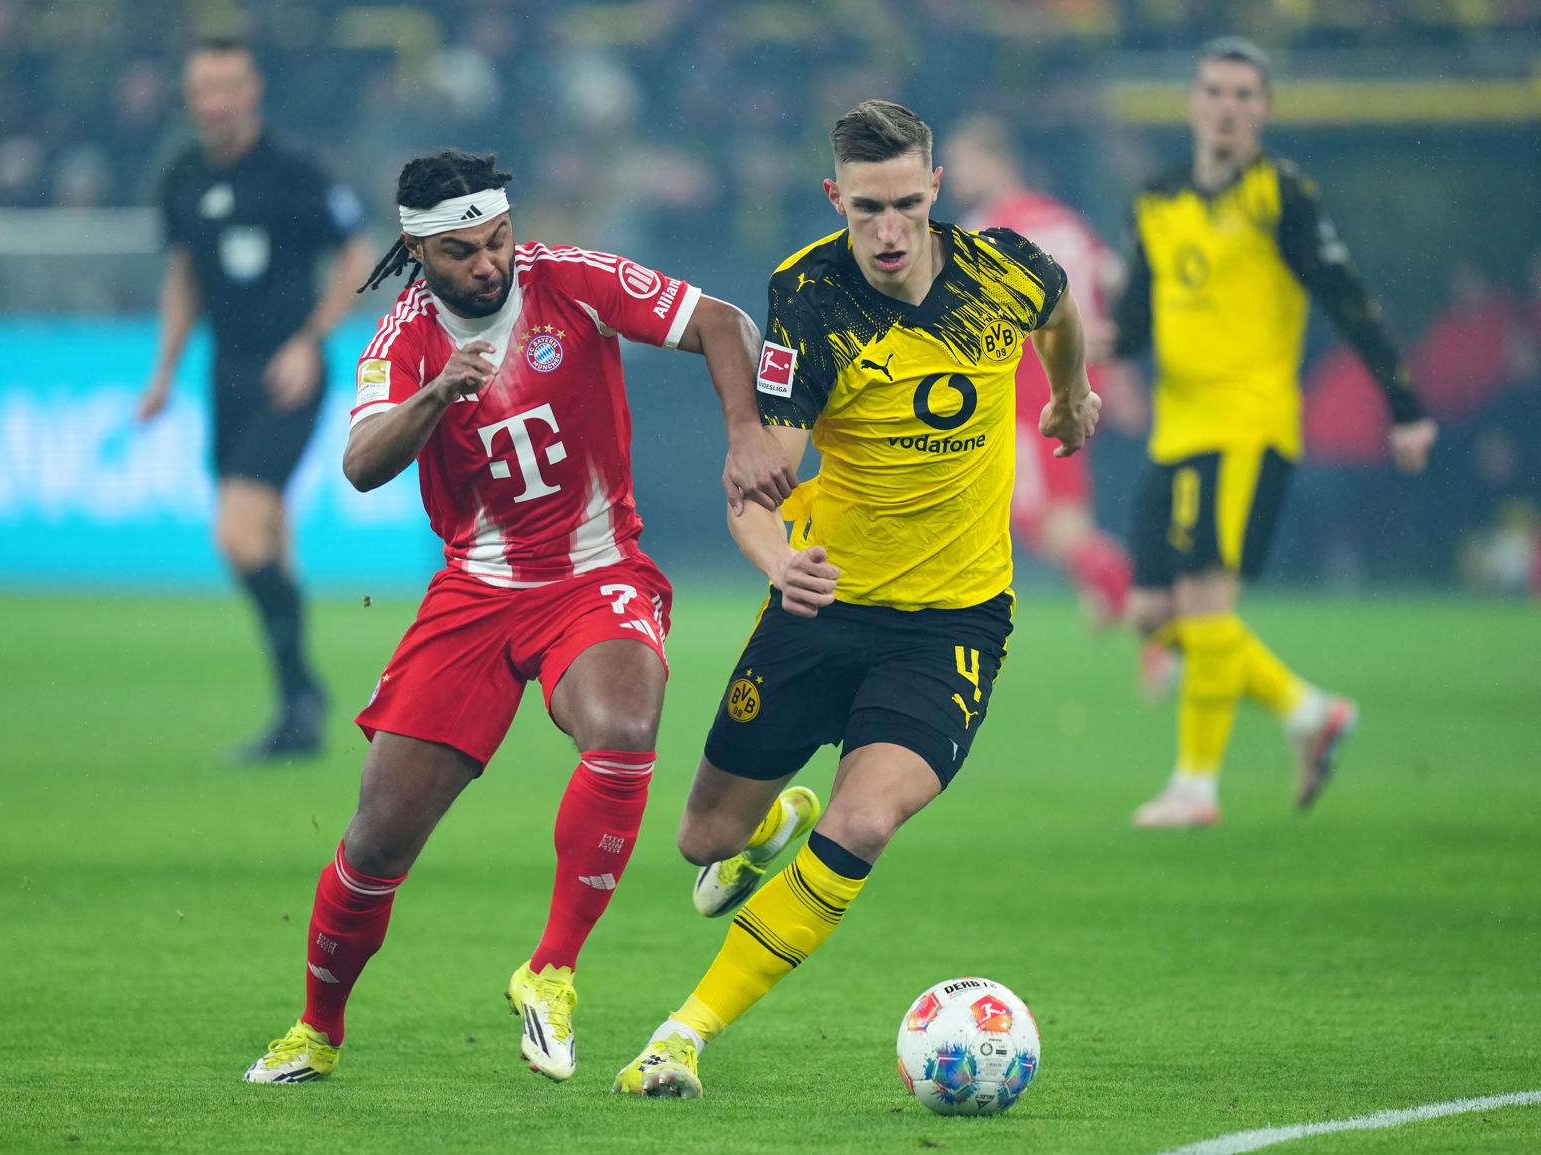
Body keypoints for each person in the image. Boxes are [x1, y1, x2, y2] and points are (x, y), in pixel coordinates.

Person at [242, 149, 795, 1085]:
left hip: (595, 571)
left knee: (623, 724)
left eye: (496, 239)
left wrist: (744, 431)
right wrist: (434, 394)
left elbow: (720, 322)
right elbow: (361, 463)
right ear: (419, 252)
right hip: (476, 592)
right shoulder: (403, 341)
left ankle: (550, 970)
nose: (490, 263)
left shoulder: (569, 277)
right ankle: (316, 1029)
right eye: (462, 252)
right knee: (378, 838)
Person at [612, 100, 1100, 1098]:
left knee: (866, 823)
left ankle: (681, 1034)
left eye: (906, 206)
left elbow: (1059, 317)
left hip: (953, 624)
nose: (886, 231)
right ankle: (764, 825)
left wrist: (1070, 393)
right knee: (701, 841)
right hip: (820, 605)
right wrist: (772, 562)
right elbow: (757, 480)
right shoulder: (809, 297)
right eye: (866, 207)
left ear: (935, 195)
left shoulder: (1006, 269)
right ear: (836, 196)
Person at [1112, 37, 1438, 828]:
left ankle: (1195, 787)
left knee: (1207, 604)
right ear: (1193, 102)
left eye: (1244, 95)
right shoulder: (1157, 199)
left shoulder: (1281, 194)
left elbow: (1348, 298)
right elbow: (1135, 318)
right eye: (1215, 92)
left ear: (1264, 110)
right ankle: (1309, 711)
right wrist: (1091, 362)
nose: (1227, 108)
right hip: (1176, 428)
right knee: (1152, 613)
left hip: (1247, 426)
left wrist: (1405, 407)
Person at [140, 36, 374, 761]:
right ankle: (296, 718)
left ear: (252, 91)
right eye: (203, 89)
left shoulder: (295, 171)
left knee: (236, 535)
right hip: (227, 374)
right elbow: (184, 277)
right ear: (191, 98)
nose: (216, 102)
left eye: (229, 86)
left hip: (289, 373)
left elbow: (356, 254)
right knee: (269, 542)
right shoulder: (180, 176)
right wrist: (163, 372)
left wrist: (312, 339)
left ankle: (303, 692)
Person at [946, 113, 1138, 626]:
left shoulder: (983, 232)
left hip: (1026, 391)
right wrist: (1117, 361)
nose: (954, 175)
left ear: (996, 160)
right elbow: (1118, 283)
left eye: (964, 162)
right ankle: (1113, 594)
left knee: (1036, 518)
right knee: (1055, 513)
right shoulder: (1065, 221)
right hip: (1079, 384)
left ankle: (1133, 595)